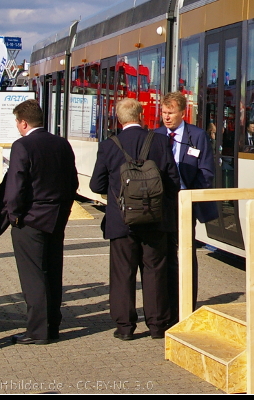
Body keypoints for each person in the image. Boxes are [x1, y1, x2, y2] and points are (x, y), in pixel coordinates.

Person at [90, 98, 181, 340]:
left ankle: (125, 327)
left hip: (121, 222)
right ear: (141, 115)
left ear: (119, 120)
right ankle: (157, 325)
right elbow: (173, 183)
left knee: (123, 274)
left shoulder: (109, 146)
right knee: (155, 272)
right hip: (155, 219)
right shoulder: (160, 142)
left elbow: (96, 183)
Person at [2, 100, 78, 345]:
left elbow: (16, 185)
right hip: (56, 218)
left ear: (23, 122)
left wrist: (13, 214)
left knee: (33, 276)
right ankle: (52, 325)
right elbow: (73, 182)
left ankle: (37, 331)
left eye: (17, 122)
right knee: (53, 273)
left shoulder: (22, 146)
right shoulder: (62, 144)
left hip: (30, 220)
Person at [155, 91, 216, 320]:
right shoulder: (156, 135)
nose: (166, 117)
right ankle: (167, 303)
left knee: (186, 253)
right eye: (163, 112)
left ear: (183, 113)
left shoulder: (197, 136)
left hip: (185, 202)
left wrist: (189, 194)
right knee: (164, 254)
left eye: (171, 113)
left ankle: (187, 303)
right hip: (162, 204)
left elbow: (207, 172)